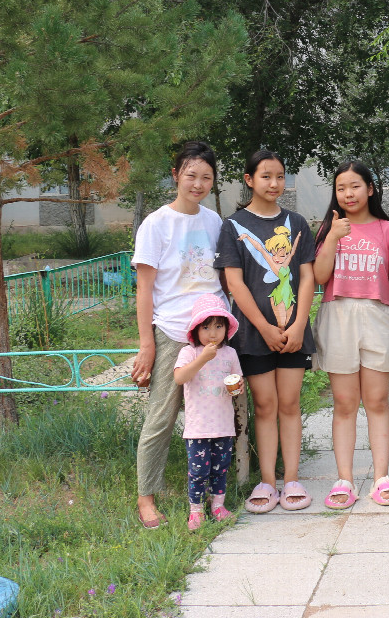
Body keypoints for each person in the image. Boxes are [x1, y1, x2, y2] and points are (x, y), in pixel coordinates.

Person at [215, 149, 317, 513]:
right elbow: (235, 284)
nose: (274, 184)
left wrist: (299, 323)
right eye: (265, 176)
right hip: (254, 334)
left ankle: (291, 478)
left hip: (294, 330)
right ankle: (268, 481)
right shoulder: (233, 226)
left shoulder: (298, 222)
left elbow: (308, 278)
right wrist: (265, 328)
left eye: (279, 176)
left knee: (289, 404)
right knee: (265, 404)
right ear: (249, 180)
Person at [131, 140, 226, 529]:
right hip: (173, 331)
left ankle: (219, 490)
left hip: (216, 330)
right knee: (162, 416)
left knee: (219, 410)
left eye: (206, 177)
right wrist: (147, 344)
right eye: (191, 175)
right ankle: (145, 497)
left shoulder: (214, 221)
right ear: (175, 175)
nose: (198, 184)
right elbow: (144, 289)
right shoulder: (156, 224)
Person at [312, 161, 389, 508]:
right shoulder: (331, 229)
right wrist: (331, 238)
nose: (348, 194)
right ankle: (344, 479)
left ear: (370, 189)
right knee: (344, 403)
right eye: (341, 188)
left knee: (376, 401)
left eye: (355, 186)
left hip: (378, 316)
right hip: (338, 314)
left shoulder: (387, 230)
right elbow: (321, 277)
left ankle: (381, 476)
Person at [173, 294, 243, 530]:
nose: (213, 333)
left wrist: (238, 387)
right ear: (196, 329)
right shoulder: (189, 353)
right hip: (198, 427)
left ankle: (218, 506)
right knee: (198, 471)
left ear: (226, 328)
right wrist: (202, 358)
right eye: (206, 327)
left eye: (218, 326)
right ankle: (196, 510)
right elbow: (180, 377)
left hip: (223, 425)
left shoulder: (230, 354)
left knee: (220, 468)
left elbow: (237, 380)